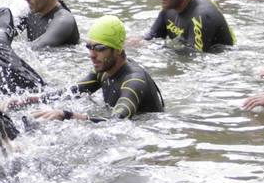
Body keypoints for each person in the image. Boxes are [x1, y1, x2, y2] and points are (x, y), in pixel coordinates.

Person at [12, 16, 164, 122]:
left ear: (118, 50)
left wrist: (67, 115)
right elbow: (71, 92)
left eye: (99, 48)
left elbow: (117, 121)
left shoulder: (133, 81)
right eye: (89, 47)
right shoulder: (103, 69)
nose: (92, 54)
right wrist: (28, 100)